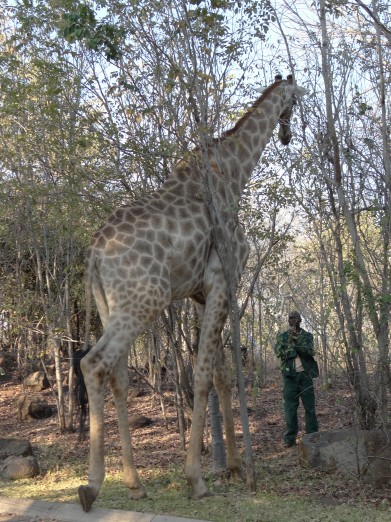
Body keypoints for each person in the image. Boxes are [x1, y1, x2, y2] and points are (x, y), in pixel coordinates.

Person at [274, 311, 319, 447]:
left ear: (300, 320)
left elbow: (309, 351)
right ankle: (290, 439)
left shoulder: (307, 336)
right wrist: (292, 346)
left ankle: (312, 435)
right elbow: (280, 353)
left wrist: (296, 343)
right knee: (290, 408)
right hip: (290, 377)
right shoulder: (282, 337)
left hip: (305, 376)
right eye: (289, 318)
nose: (292, 320)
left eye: (294, 318)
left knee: (310, 407)